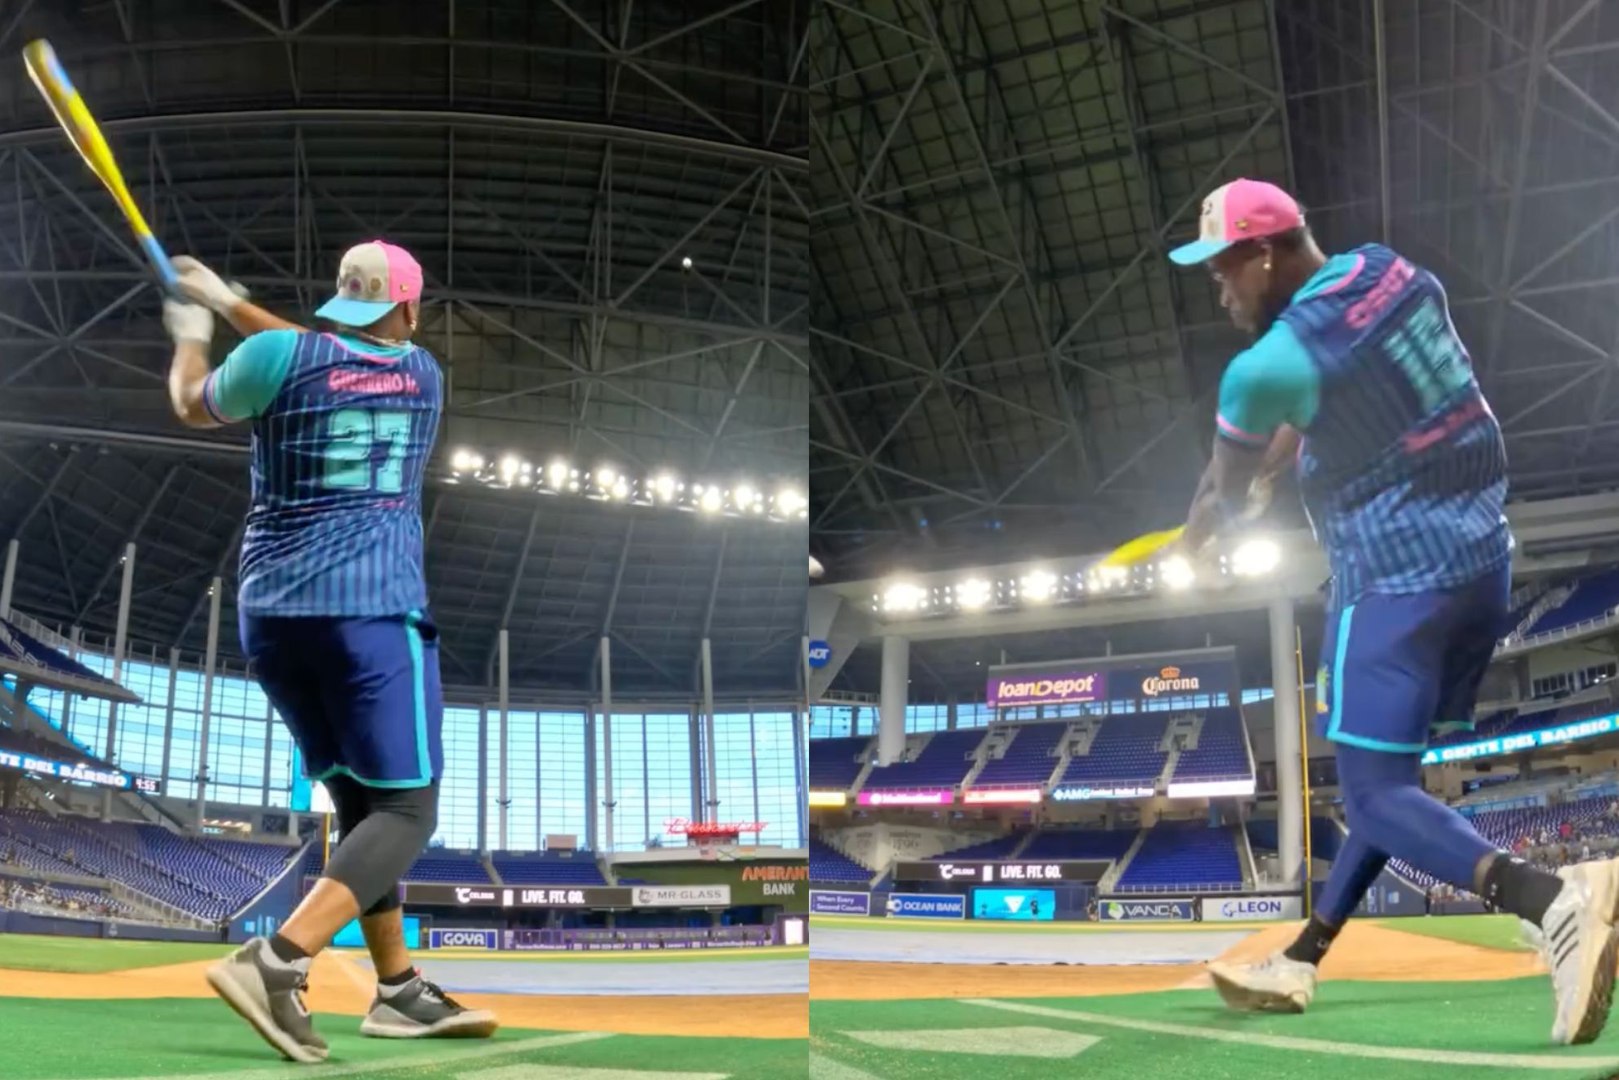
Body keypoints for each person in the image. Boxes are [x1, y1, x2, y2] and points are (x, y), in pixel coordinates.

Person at [1170, 178, 1619, 1046]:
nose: (1218, 291)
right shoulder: (1390, 272)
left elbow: (1224, 492)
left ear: (1261, 254)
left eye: (1222, 270)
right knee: (1392, 784)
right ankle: (1301, 957)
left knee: (1372, 796)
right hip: (1481, 564)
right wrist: (1285, 458)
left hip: (1389, 584)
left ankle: (1551, 898)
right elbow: (1342, 394)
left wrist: (1200, 542)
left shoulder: (1261, 368)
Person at [162, 242, 498, 1063]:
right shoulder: (422, 375)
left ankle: (397, 990)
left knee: (358, 802)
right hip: (371, 612)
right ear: (410, 308)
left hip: (273, 619)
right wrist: (230, 302)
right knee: (408, 810)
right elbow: (324, 354)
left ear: (342, 297)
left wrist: (194, 331)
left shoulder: (272, 359)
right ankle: (276, 961)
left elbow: (192, 402)